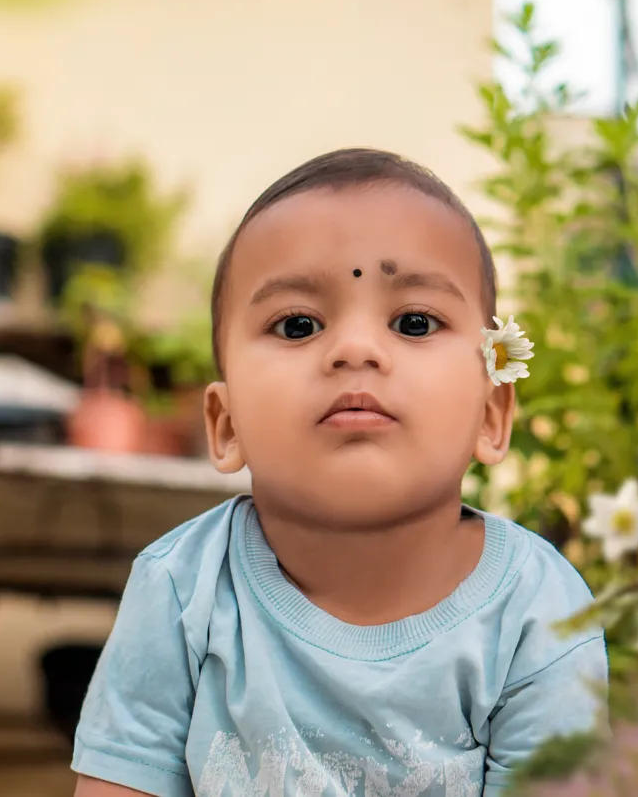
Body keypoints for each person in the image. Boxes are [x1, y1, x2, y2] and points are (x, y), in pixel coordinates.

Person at [71, 148, 608, 797]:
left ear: (491, 414)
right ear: (225, 423)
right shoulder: (184, 593)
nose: (355, 348)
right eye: (298, 325)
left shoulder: (537, 612)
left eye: (414, 322)